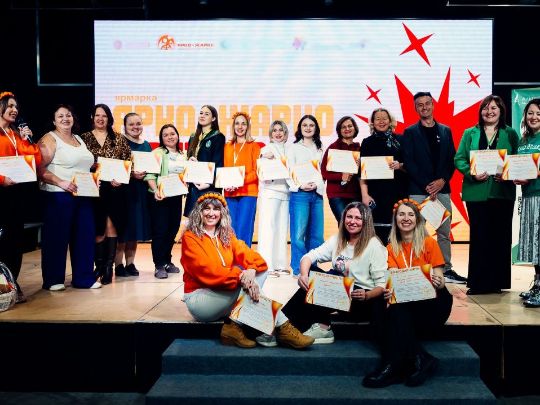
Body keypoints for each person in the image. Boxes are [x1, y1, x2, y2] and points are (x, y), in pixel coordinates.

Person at [180, 192, 313, 349]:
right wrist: (242, 276)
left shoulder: (226, 235)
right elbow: (208, 271)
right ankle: (283, 327)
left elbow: (256, 259)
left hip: (222, 295)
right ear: (199, 212)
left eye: (216, 209)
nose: (211, 213)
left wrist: (250, 270)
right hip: (200, 300)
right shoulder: (190, 237)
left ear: (222, 213)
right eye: (206, 208)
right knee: (246, 285)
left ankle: (234, 326)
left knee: (259, 272)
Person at [257, 202, 387, 347]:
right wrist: (303, 276)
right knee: (312, 277)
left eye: (358, 218)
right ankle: (308, 327)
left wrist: (367, 295)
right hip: (338, 292)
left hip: (361, 299)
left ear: (366, 221)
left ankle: (279, 328)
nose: (352, 221)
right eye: (349, 217)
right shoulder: (339, 239)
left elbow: (382, 285)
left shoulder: (374, 245)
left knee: (323, 283)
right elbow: (309, 257)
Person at [363, 199, 452, 388]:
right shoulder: (390, 248)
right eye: (401, 214)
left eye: (411, 214)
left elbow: (440, 276)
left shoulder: (429, 243)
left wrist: (438, 281)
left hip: (432, 304)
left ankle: (391, 367)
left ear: (417, 219)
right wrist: (389, 292)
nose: (406, 218)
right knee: (385, 306)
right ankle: (419, 358)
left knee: (391, 315)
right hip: (406, 305)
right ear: (395, 219)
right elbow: (394, 279)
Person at [455, 95, 519, 295]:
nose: (489, 112)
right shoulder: (470, 133)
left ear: (501, 111)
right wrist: (471, 173)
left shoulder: (510, 133)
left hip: (502, 192)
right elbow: (459, 159)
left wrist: (508, 173)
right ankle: (478, 283)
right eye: (485, 108)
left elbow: (518, 159)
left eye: (493, 108)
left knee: (501, 237)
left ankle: (497, 282)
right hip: (476, 193)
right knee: (480, 237)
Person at [401, 91, 466, 284]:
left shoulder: (446, 130)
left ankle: (446, 269)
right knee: (414, 231)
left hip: (442, 190)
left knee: (444, 232)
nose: (424, 107)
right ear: (416, 108)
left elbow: (451, 160)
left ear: (433, 104)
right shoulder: (410, 132)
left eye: (427, 103)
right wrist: (428, 186)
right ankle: (418, 268)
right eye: (420, 105)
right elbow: (409, 162)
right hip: (418, 190)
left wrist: (442, 181)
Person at [38, 104, 101, 291]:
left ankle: (83, 278)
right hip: (59, 195)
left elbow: (84, 166)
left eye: (68, 115)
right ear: (53, 120)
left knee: (84, 237)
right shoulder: (50, 138)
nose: (65, 119)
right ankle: (53, 279)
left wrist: (93, 180)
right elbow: (39, 168)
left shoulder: (79, 138)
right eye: (60, 116)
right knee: (56, 238)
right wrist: (60, 182)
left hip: (83, 195)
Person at [81, 104, 132, 285]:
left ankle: (109, 268)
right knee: (98, 228)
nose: (100, 119)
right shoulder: (83, 139)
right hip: (94, 189)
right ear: (92, 118)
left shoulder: (119, 138)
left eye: (104, 116)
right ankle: (100, 266)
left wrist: (121, 178)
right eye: (97, 115)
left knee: (111, 225)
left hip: (115, 189)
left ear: (109, 118)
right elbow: (79, 163)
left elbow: (128, 162)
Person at [0, 91, 41, 302]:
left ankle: (12, 283)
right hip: (1, 191)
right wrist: (1, 179)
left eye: (16, 106)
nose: (14, 110)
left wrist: (27, 140)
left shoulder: (16, 134)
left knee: (15, 241)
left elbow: (35, 160)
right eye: (10, 106)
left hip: (15, 194)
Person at [360, 108, 408, 244]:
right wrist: (365, 195)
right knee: (376, 234)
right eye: (378, 119)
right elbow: (362, 173)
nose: (381, 121)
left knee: (398, 232)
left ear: (390, 121)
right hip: (375, 195)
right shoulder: (367, 142)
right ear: (372, 122)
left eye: (384, 118)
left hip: (398, 193)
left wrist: (400, 165)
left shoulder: (401, 140)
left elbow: (412, 165)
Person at [144, 124, 186, 279]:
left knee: (173, 229)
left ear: (177, 135)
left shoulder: (183, 154)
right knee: (160, 231)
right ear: (162, 138)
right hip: (160, 197)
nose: (170, 137)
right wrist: (156, 191)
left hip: (176, 197)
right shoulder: (157, 153)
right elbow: (150, 175)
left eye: (172, 134)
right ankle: (159, 264)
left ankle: (167, 261)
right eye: (166, 135)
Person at [114, 112, 152, 277]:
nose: (135, 127)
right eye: (131, 124)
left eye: (138, 123)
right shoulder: (119, 142)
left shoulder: (147, 145)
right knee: (123, 229)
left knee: (134, 228)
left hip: (141, 191)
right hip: (124, 191)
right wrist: (131, 174)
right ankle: (118, 264)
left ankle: (130, 263)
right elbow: (116, 166)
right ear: (124, 127)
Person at [287, 115, 325, 275]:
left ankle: (312, 268)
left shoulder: (320, 148)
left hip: (317, 194)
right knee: (298, 235)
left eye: (311, 125)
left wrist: (317, 184)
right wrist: (300, 185)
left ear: (316, 128)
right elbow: (288, 171)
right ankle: (298, 269)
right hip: (300, 195)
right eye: (305, 125)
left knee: (316, 235)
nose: (308, 128)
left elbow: (323, 171)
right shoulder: (293, 148)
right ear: (300, 128)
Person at [514, 99, 540, 306]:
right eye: (530, 113)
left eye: (538, 114)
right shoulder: (523, 140)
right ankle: (537, 284)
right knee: (534, 244)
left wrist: (532, 175)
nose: (534, 117)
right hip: (529, 196)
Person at [257, 120, 291, 276]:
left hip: (286, 192)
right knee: (268, 228)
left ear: (285, 133)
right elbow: (261, 173)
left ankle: (280, 265)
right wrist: (263, 157)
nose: (278, 133)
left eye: (281, 130)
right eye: (275, 130)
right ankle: (266, 265)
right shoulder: (265, 150)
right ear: (270, 134)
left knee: (282, 229)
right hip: (270, 192)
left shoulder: (290, 150)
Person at [223, 112, 260, 247]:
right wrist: (226, 183)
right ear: (233, 126)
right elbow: (223, 169)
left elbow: (256, 172)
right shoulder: (227, 146)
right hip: (230, 192)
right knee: (231, 229)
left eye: (243, 124)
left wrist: (238, 181)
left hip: (248, 192)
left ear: (248, 126)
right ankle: (233, 257)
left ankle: (244, 258)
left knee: (244, 228)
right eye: (237, 123)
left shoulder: (254, 146)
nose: (240, 127)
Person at [184, 105, 225, 217]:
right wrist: (189, 161)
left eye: (207, 114)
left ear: (213, 118)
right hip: (194, 185)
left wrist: (208, 183)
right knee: (193, 219)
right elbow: (188, 159)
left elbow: (218, 162)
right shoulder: (193, 136)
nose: (202, 116)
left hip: (208, 186)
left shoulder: (218, 137)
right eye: (201, 113)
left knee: (208, 218)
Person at [321, 116, 361, 223]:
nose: (347, 129)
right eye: (343, 127)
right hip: (337, 194)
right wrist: (341, 176)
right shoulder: (333, 147)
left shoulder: (359, 148)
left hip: (355, 194)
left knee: (356, 224)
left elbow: (363, 174)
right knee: (344, 223)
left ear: (355, 128)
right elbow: (324, 173)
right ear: (339, 130)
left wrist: (360, 166)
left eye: (350, 126)